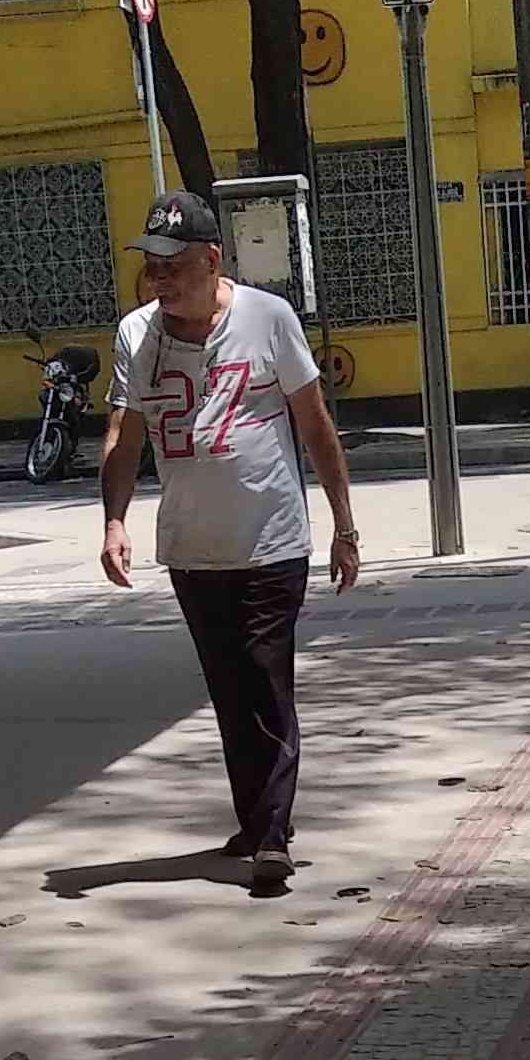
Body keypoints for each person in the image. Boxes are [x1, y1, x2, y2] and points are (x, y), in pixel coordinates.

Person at [100, 191, 358, 895]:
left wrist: (343, 526)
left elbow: (315, 426)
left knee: (265, 682)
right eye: (152, 266)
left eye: (174, 265)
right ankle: (256, 819)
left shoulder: (268, 319)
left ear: (212, 261)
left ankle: (271, 836)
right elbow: (124, 438)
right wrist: (115, 522)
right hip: (191, 548)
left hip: (271, 541)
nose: (160, 279)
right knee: (228, 691)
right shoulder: (136, 336)